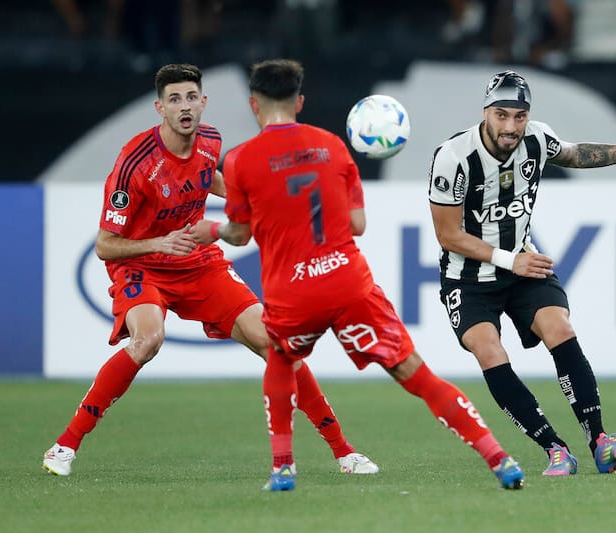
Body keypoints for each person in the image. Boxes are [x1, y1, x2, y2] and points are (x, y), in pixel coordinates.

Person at [189, 58, 525, 492]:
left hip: (293, 290)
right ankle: (498, 457)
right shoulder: (332, 145)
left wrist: (209, 230)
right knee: (416, 374)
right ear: (300, 101)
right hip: (348, 281)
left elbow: (238, 232)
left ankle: (283, 468)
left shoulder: (239, 161)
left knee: (281, 358)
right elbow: (358, 224)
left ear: (254, 105)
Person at [42, 63, 378, 478]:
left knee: (277, 345)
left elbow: (211, 180)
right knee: (148, 340)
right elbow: (104, 245)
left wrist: (259, 199)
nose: (184, 107)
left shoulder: (210, 140)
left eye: (190, 98)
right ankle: (65, 445)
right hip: (142, 265)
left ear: (203, 102)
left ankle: (344, 452)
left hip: (199, 265)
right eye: (174, 99)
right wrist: (159, 243)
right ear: (159, 108)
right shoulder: (135, 163)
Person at [427, 70, 616, 476]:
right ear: (486, 113)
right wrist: (512, 260)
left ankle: (600, 441)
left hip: (523, 266)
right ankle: (555, 449)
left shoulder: (536, 138)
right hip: (469, 277)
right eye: (502, 115)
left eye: (519, 116)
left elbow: (574, 153)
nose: (510, 127)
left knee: (559, 328)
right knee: (489, 351)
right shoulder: (453, 156)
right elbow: (448, 235)